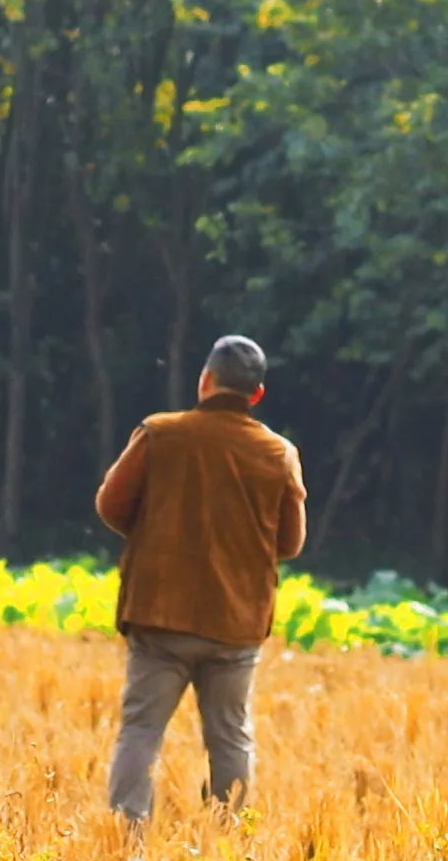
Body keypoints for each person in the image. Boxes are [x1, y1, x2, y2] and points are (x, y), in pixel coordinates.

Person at [95, 335, 306, 823]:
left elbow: (109, 504)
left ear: (204, 381)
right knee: (230, 736)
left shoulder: (159, 434)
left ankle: (126, 839)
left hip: (160, 616)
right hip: (236, 623)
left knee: (141, 730)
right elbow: (290, 544)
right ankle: (224, 844)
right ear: (256, 395)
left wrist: (151, 533)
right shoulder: (279, 454)